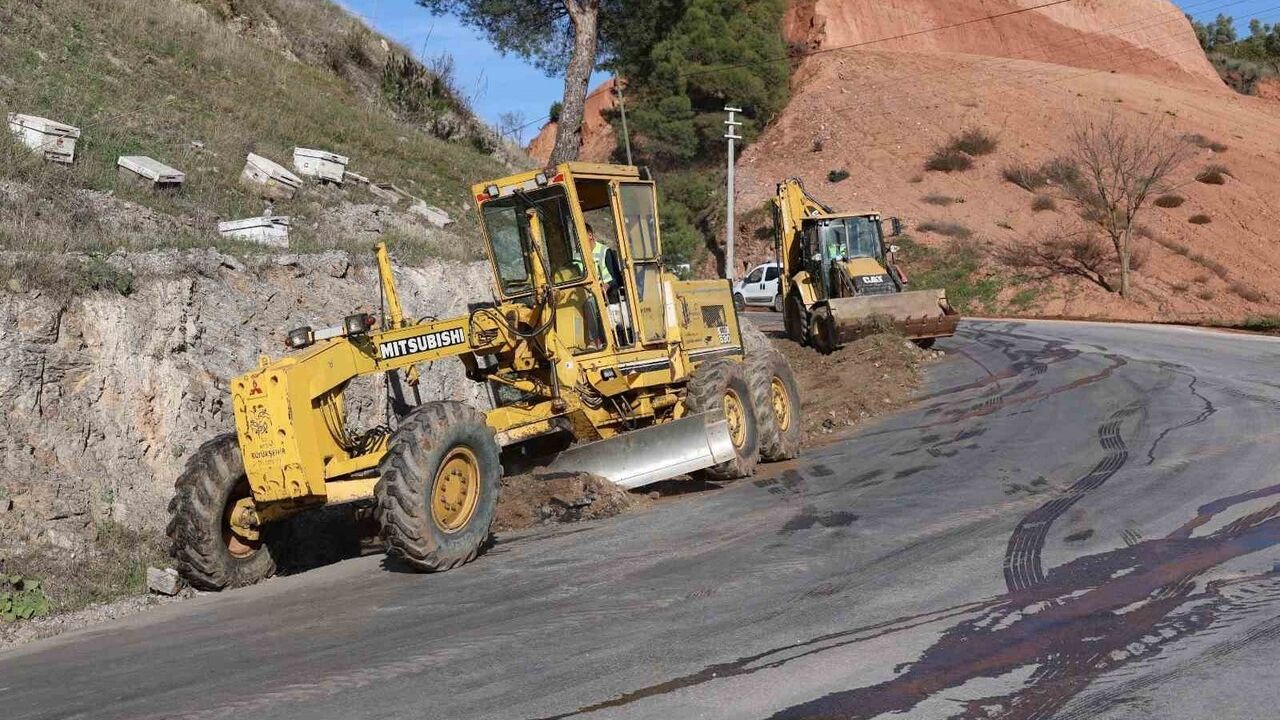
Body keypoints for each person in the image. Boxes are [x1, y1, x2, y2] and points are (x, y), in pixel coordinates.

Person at [586, 223, 630, 344]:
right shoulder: (578, 255)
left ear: (590, 235)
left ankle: (594, 340)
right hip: (586, 291)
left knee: (590, 303)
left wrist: (606, 285)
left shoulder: (605, 252)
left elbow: (615, 278)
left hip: (605, 292)